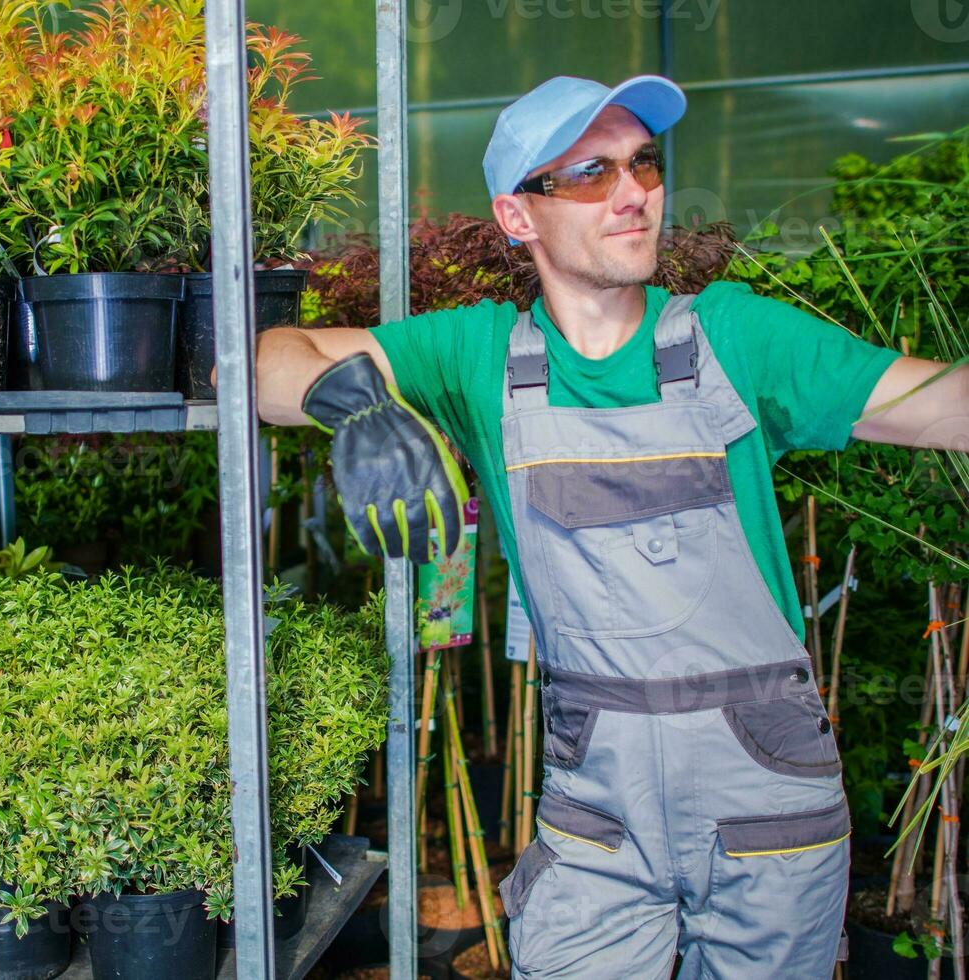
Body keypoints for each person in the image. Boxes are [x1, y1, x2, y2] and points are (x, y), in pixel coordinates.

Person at [234, 74, 969, 977]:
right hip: (596, 798)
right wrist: (352, 402)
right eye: (587, 173)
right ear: (518, 217)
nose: (634, 193)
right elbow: (266, 361)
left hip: (764, 795)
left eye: (644, 165)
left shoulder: (734, 340)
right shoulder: (480, 357)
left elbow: (943, 407)